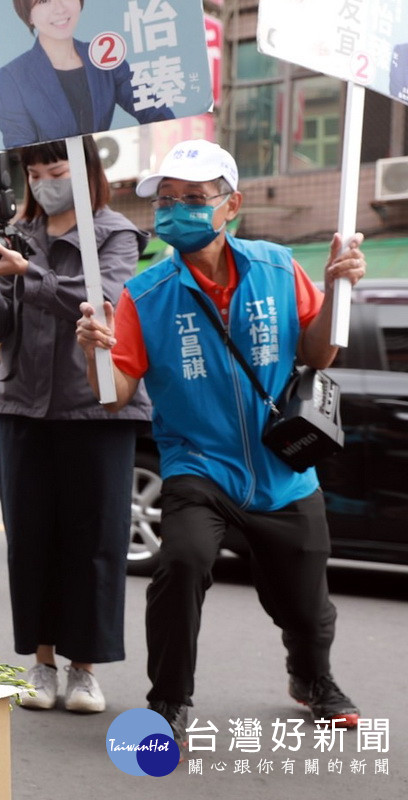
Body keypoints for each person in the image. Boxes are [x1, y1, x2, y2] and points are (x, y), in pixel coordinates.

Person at [75, 139, 365, 747]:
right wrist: (94, 354)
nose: (176, 210)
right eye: (168, 200)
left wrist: (338, 291)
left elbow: (315, 353)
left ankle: (312, 678)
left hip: (283, 468)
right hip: (198, 465)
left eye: (194, 199)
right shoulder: (144, 294)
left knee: (308, 610)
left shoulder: (278, 267)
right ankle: (169, 700)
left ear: (232, 205)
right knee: (180, 562)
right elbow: (113, 395)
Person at [0, 136, 150, 714]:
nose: (46, 178)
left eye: (57, 166)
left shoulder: (115, 233)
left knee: (94, 538)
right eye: (36, 169)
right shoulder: (17, 233)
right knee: (31, 538)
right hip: (23, 402)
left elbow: (103, 299)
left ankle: (85, 670)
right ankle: (42, 665)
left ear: (85, 167)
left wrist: (28, 271)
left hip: (97, 403)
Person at [0, 0, 174, 149]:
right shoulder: (12, 77)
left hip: (101, 163)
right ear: (28, 15)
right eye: (43, 1)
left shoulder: (104, 56)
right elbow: (20, 147)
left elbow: (151, 106)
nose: (59, 8)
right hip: (58, 177)